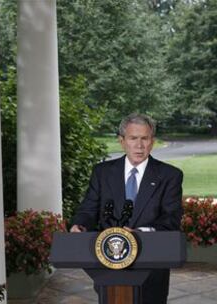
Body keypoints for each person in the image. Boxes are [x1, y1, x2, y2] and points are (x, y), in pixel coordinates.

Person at [70, 113, 183, 304]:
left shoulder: (170, 175)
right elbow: (88, 210)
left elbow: (171, 219)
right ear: (122, 141)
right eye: (133, 138)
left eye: (144, 138)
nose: (139, 145)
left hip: (152, 269)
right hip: (109, 264)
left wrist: (138, 233)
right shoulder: (102, 172)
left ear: (152, 142)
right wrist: (79, 225)